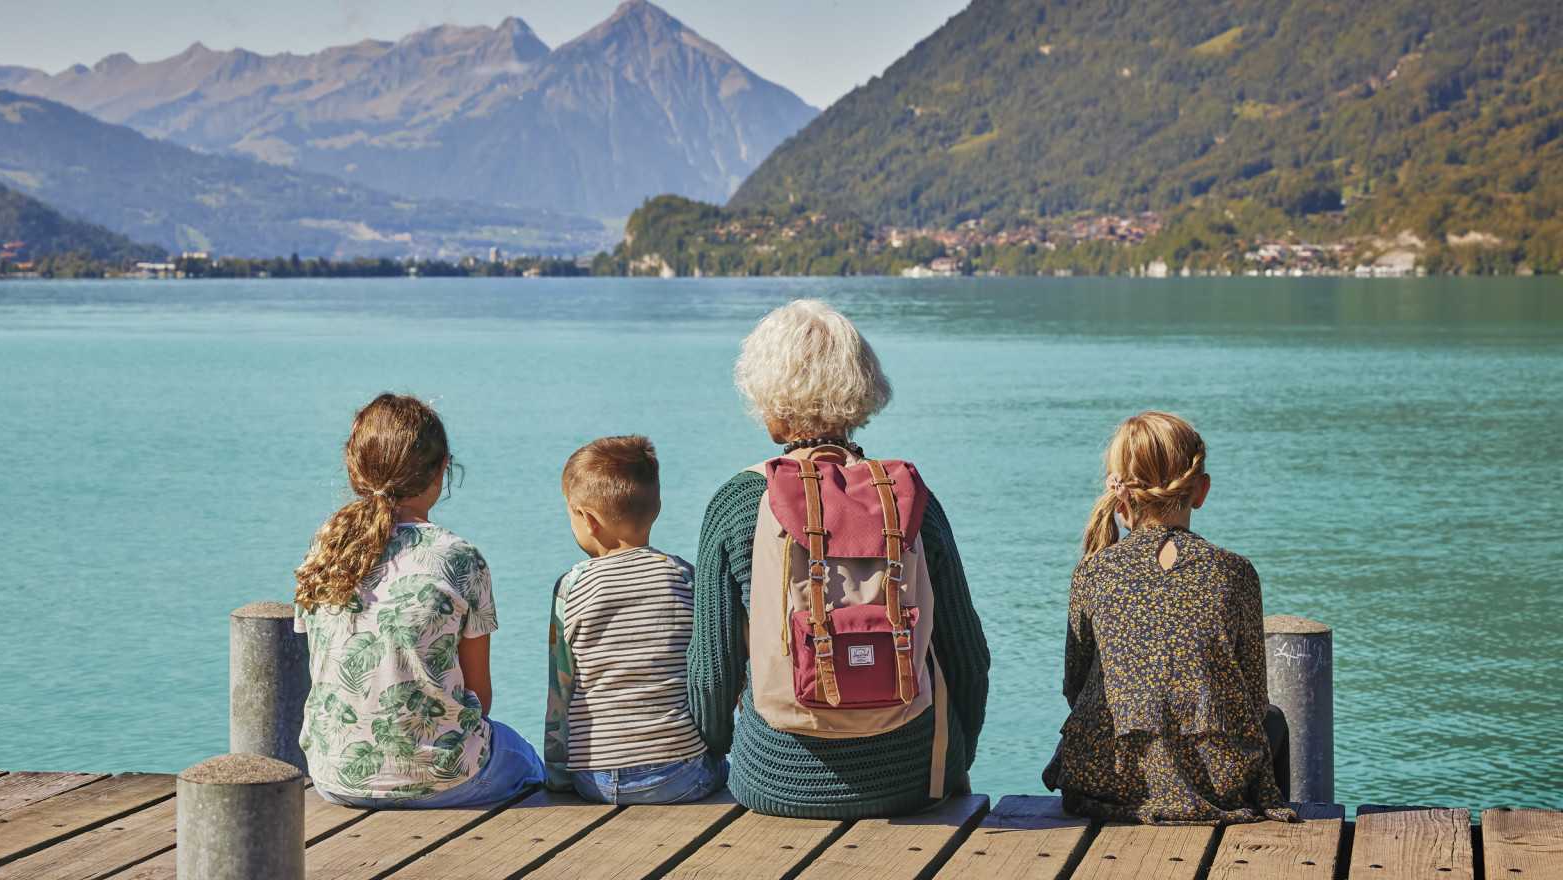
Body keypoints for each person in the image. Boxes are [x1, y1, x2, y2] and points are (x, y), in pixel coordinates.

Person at [687, 299, 990, 819]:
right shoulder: (909, 498)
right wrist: (955, 758)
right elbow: (968, 659)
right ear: (860, 392)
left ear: (772, 404)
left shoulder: (738, 502)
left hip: (776, 779)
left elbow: (712, 673)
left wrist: (714, 754)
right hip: (915, 774)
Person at [1042, 412, 1296, 825]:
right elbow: (1252, 699)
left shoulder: (1093, 570)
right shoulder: (1234, 571)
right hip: (1213, 783)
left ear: (1118, 491)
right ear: (1201, 489)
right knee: (1273, 721)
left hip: (1105, 778)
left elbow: (1075, 688)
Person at [293, 393, 544, 808]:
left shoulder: (326, 550)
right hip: (444, 781)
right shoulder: (458, 558)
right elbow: (479, 695)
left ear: (354, 469)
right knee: (524, 757)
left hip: (333, 776)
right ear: (442, 470)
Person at [544, 436, 725, 805]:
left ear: (588, 521)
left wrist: (561, 776)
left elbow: (560, 690)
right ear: (656, 506)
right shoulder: (685, 577)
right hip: (680, 776)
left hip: (594, 778)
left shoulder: (571, 587)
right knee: (722, 767)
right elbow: (708, 672)